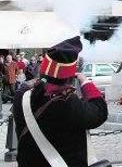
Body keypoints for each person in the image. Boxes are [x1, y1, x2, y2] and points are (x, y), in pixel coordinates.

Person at [12, 37, 108, 167]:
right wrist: (86, 82)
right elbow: (99, 112)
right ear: (70, 75)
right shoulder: (66, 102)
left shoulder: (21, 94)